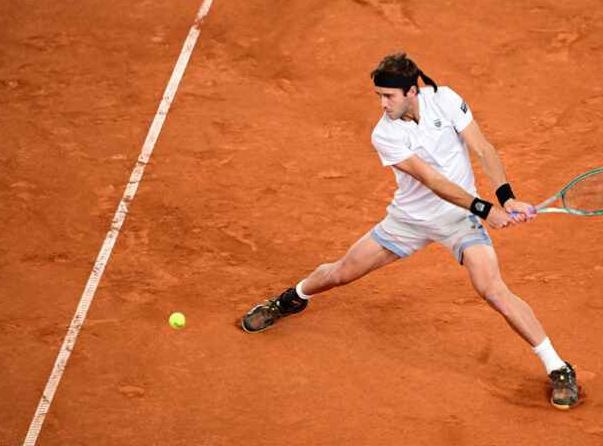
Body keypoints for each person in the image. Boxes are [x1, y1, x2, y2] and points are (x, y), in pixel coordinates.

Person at [241, 52, 578, 410]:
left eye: (389, 96)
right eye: (379, 96)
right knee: (340, 273)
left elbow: (482, 148)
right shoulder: (384, 134)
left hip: (458, 219)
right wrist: (484, 209)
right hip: (409, 220)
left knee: (493, 291)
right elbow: (432, 180)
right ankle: (292, 298)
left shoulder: (446, 100)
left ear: (412, 91)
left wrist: (506, 198)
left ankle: (558, 366)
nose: (382, 104)